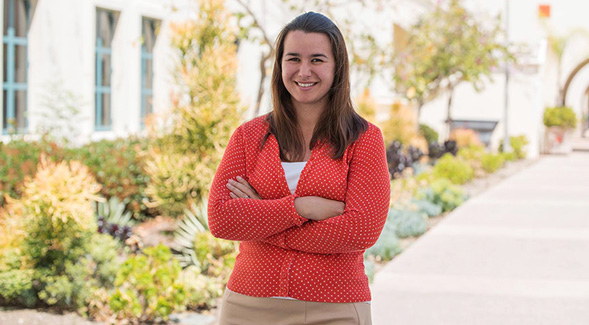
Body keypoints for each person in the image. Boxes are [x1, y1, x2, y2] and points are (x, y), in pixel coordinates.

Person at [208, 11, 390, 325]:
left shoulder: (363, 139)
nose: (303, 71)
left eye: (317, 59)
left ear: (337, 68)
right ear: (280, 65)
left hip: (335, 309)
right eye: (293, 58)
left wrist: (262, 218)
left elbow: (361, 230)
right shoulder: (248, 136)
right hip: (248, 306)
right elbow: (222, 218)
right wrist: (301, 207)